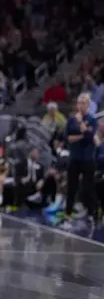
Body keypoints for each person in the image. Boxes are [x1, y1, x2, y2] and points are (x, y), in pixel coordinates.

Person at [62, 92, 98, 228]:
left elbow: (90, 136)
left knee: (88, 187)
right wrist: (81, 135)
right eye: (79, 103)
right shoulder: (71, 120)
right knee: (71, 187)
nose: (80, 105)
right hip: (75, 157)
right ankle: (67, 214)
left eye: (83, 103)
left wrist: (81, 126)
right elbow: (67, 138)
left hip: (87, 158)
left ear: (88, 105)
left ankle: (92, 214)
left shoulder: (92, 119)